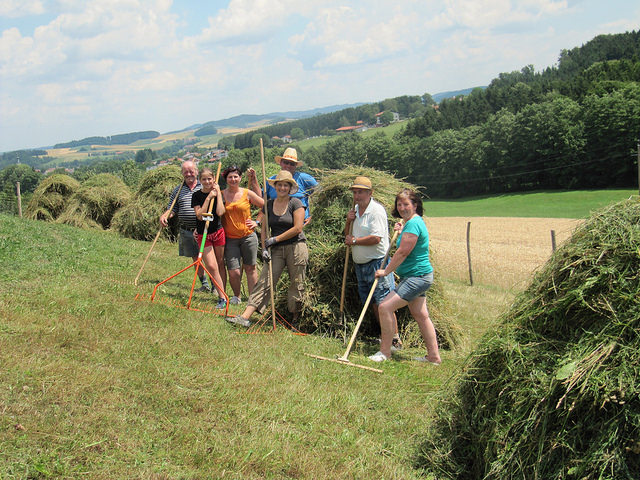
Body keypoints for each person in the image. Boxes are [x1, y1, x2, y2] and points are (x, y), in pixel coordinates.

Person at [368, 189, 441, 365]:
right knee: (421, 315)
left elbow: (402, 253)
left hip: (416, 277)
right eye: (399, 204)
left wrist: (385, 271)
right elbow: (408, 244)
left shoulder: (414, 224)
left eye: (406, 204)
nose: (402, 208)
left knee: (384, 307)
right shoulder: (411, 223)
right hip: (419, 276)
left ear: (415, 205)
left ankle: (385, 352)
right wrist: (402, 231)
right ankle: (433, 357)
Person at [227, 170, 308, 327]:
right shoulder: (268, 204)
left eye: (286, 185)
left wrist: (275, 239)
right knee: (265, 280)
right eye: (280, 185)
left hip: (296, 247)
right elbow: (264, 229)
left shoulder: (296, 203)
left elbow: (298, 228)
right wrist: (264, 247)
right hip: (275, 249)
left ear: (290, 188)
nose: (282, 188)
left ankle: (296, 319)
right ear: (275, 186)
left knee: (297, 282)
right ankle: (245, 317)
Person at [344, 176, 402, 350]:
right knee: (373, 303)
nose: (357, 195)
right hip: (360, 264)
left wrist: (354, 241)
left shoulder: (376, 211)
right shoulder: (355, 210)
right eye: (355, 192)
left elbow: (376, 238)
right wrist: (348, 220)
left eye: (360, 192)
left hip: (377, 264)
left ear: (370, 193)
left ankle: (395, 340)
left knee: (384, 302)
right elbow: (347, 236)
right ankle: (385, 336)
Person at [159, 160, 210, 292]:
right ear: (182, 173)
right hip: (186, 230)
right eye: (185, 171)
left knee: (208, 258)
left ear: (196, 172)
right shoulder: (178, 190)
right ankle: (204, 284)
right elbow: (172, 208)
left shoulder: (204, 186)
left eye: (191, 171)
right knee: (195, 257)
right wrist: (165, 216)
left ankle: (216, 285)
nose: (189, 174)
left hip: (204, 229)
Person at [220, 165, 265, 304]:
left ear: (240, 178)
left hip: (248, 237)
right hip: (230, 239)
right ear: (226, 179)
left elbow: (264, 205)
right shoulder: (221, 194)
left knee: (250, 268)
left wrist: (257, 222)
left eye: (235, 176)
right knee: (234, 271)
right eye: (230, 177)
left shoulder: (247, 193)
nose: (233, 179)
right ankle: (236, 296)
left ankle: (252, 298)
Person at [250, 147, 317, 225]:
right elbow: (261, 198)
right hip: (278, 225)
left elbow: (323, 193)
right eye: (286, 162)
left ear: (296, 165)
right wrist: (253, 180)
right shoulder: (273, 180)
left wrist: (314, 216)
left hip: (301, 225)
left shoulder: (304, 179)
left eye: (292, 164)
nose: (288, 166)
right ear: (281, 162)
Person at [191, 167, 227, 309]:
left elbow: (220, 211)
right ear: (200, 181)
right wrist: (209, 197)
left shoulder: (219, 193)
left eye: (209, 179)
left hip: (217, 232)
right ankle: (222, 297)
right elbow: (199, 215)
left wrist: (217, 194)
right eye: (204, 179)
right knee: (211, 266)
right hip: (203, 234)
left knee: (219, 264)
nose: (207, 182)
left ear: (213, 179)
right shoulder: (196, 196)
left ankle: (222, 293)